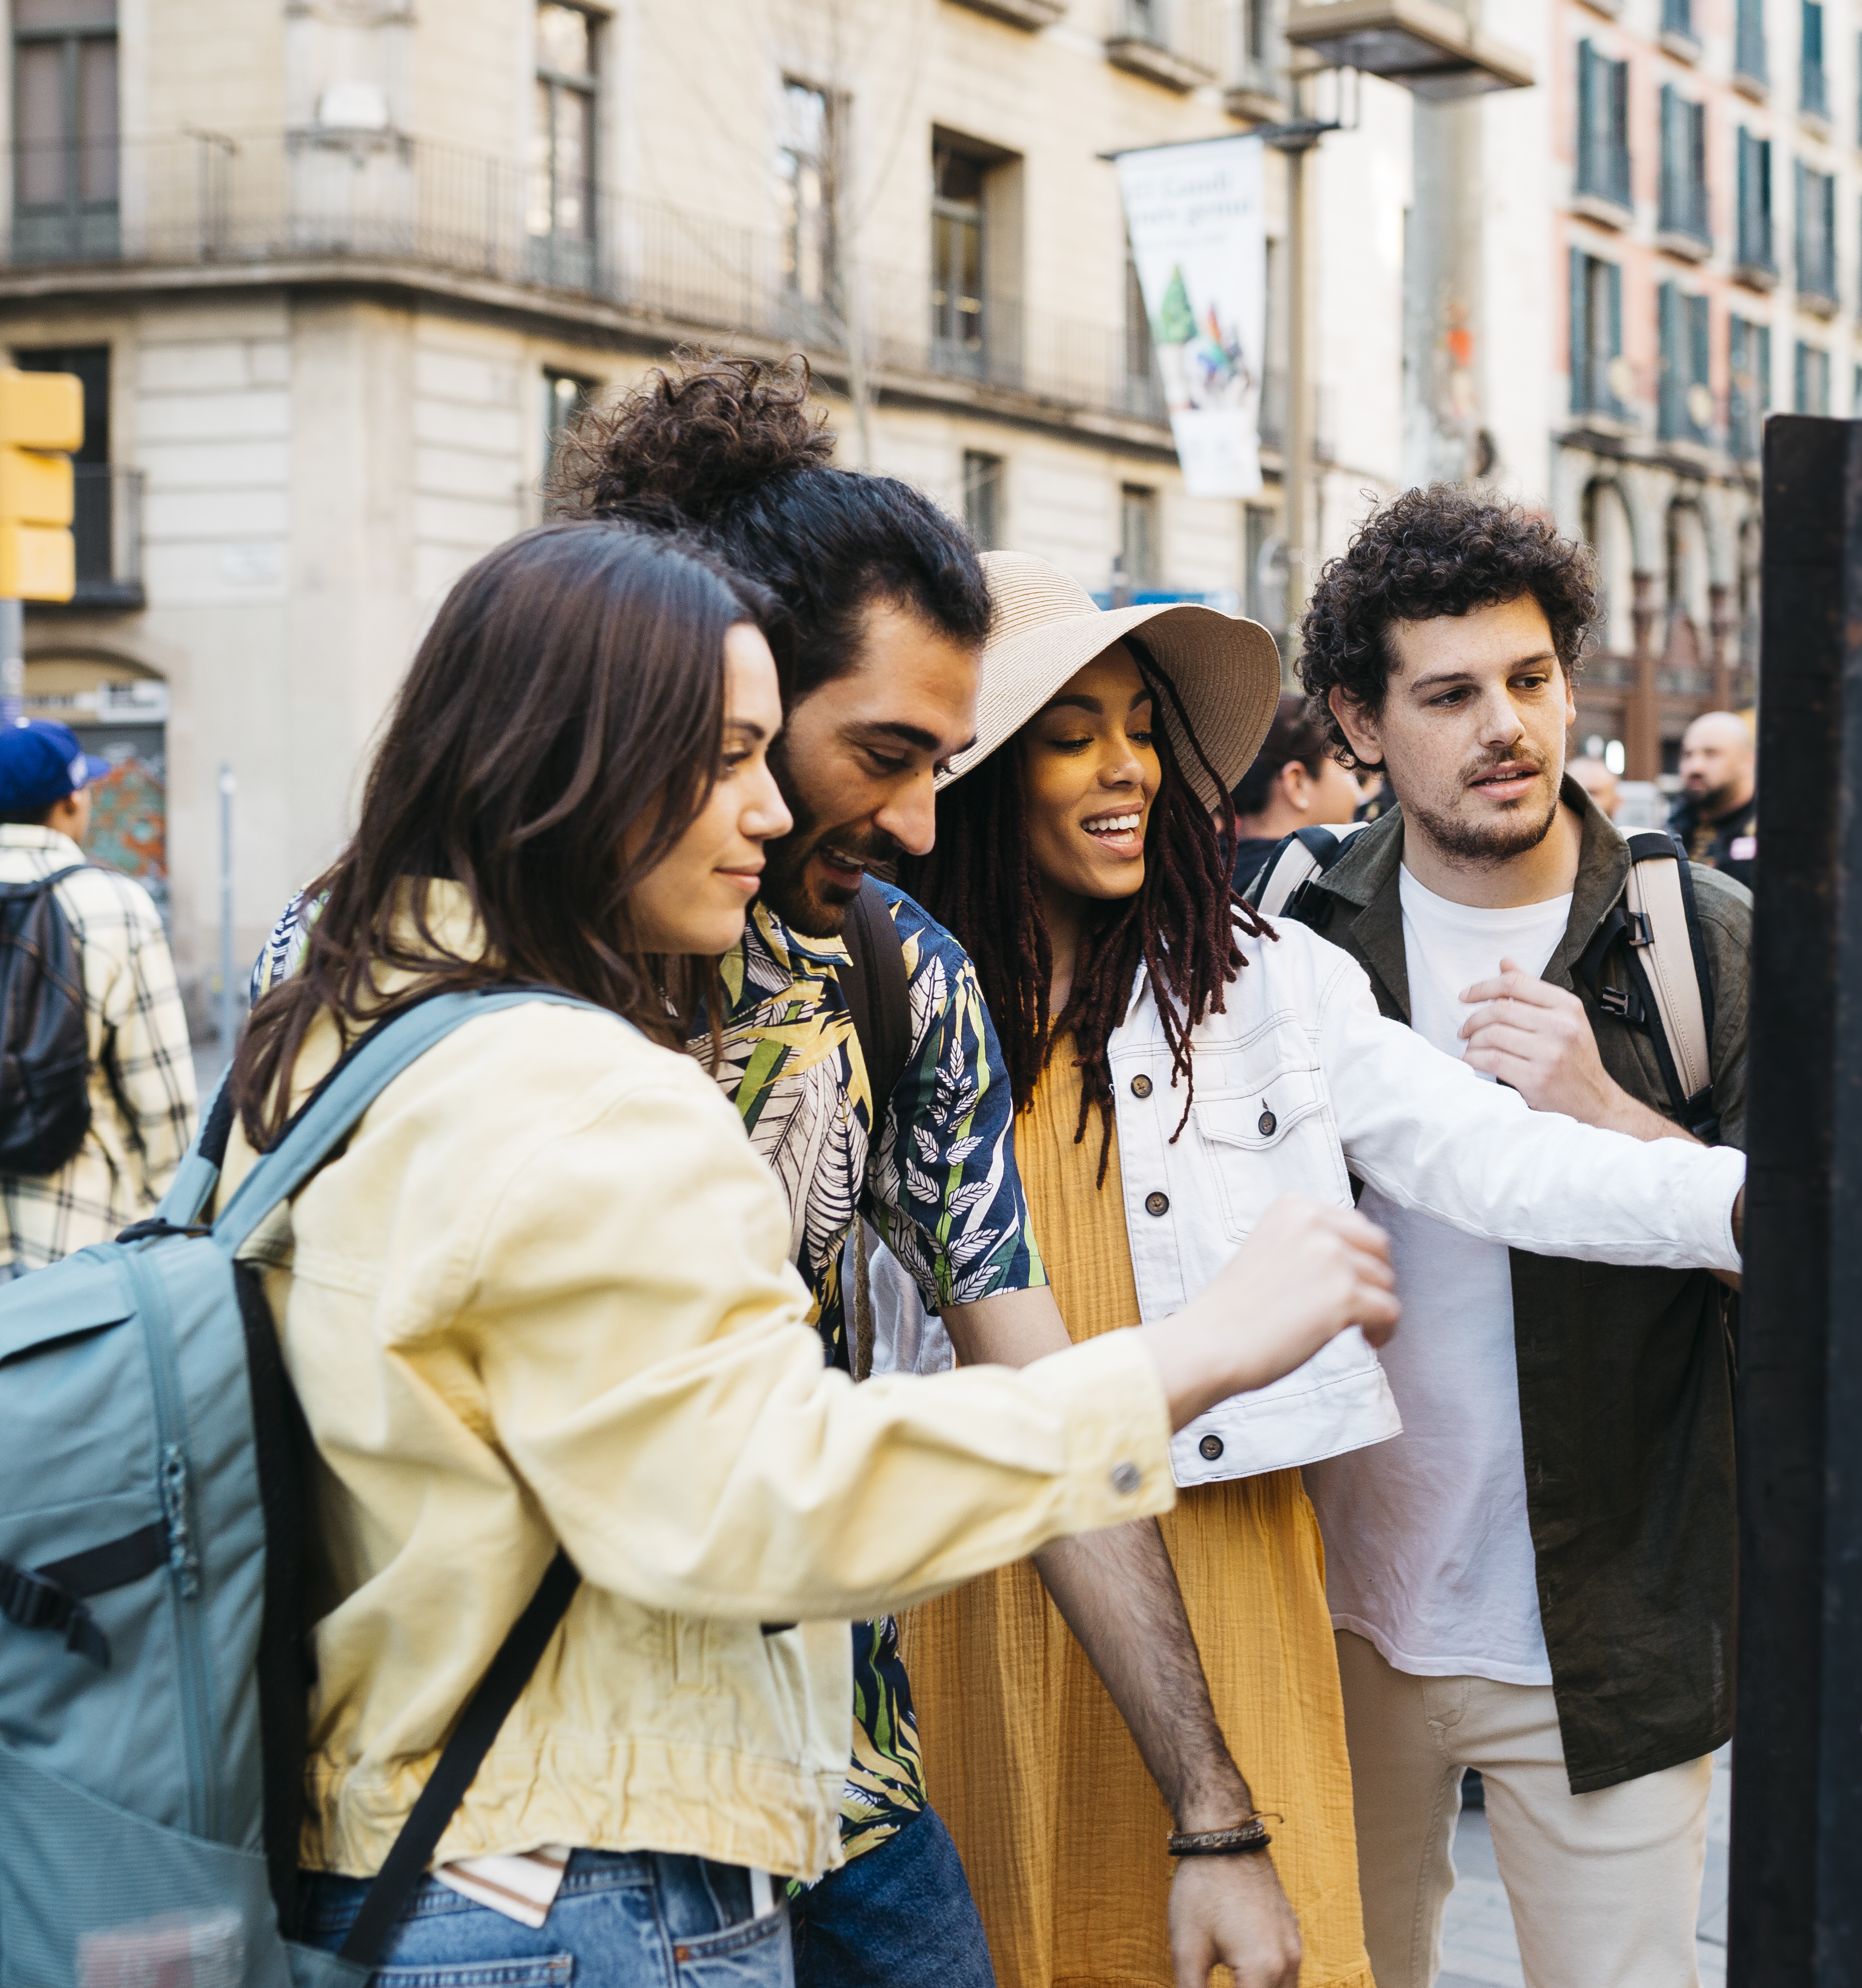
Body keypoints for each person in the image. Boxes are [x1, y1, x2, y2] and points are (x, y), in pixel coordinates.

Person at [227, 523, 1397, 1987]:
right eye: (732, 755)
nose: (787, 809)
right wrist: (1195, 1352)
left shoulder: (354, 981)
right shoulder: (575, 1078)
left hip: (540, 1822)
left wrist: (1211, 1814)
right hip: (583, 1857)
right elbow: (751, 1500)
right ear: (583, 755)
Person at [520, 352, 1316, 1987]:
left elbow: (1037, 1391)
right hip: (544, 1839)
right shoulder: (428, 975)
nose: (919, 817)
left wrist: (1215, 1816)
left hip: (845, 1786)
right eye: (881, 752)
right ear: (724, 689)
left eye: (942, 764)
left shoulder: (898, 976)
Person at [900, 554, 1747, 1988]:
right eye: (1068, 733)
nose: (1123, 768)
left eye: (1138, 729)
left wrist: (1776, 1209)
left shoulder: (1254, 980)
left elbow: (1494, 1158)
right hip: (972, 1578)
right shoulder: (889, 1002)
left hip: (1221, 1561)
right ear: (980, 774)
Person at [1289, 484, 1754, 1988]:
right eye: (1450, 694)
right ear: (1360, 723)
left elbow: (1827, 1253)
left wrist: (1608, 1111)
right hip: (1334, 1619)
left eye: (1533, 679)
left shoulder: (1704, 942)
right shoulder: (1295, 940)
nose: (1506, 725)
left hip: (1609, 1642)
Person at [0, 719, 194, 1318]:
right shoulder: (116, 904)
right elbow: (160, 1090)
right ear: (72, 799)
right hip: (82, 1224)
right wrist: (177, 1211)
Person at [1228, 690, 1368, 896]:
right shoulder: (1312, 889)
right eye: (1350, 770)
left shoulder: (1201, 872)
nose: (1359, 795)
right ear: (1297, 783)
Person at [1664, 709, 1757, 891]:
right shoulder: (1672, 828)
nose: (1695, 767)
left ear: (1748, 761)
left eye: (1712, 754)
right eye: (1687, 755)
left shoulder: (1777, 831)